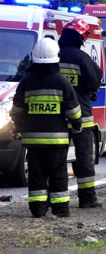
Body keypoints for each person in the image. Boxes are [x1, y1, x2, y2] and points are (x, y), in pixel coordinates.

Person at [10, 38, 82, 218]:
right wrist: (77, 125)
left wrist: (18, 128)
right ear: (56, 57)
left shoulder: (26, 81)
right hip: (57, 140)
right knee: (58, 175)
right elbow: (73, 110)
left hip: (33, 141)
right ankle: (60, 211)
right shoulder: (62, 81)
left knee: (37, 175)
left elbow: (17, 110)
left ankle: (38, 210)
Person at [58, 18, 103, 208]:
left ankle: (58, 199)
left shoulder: (54, 56)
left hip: (57, 117)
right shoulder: (82, 57)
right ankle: (87, 198)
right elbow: (95, 80)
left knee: (58, 158)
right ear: (80, 38)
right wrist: (87, 91)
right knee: (84, 157)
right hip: (82, 115)